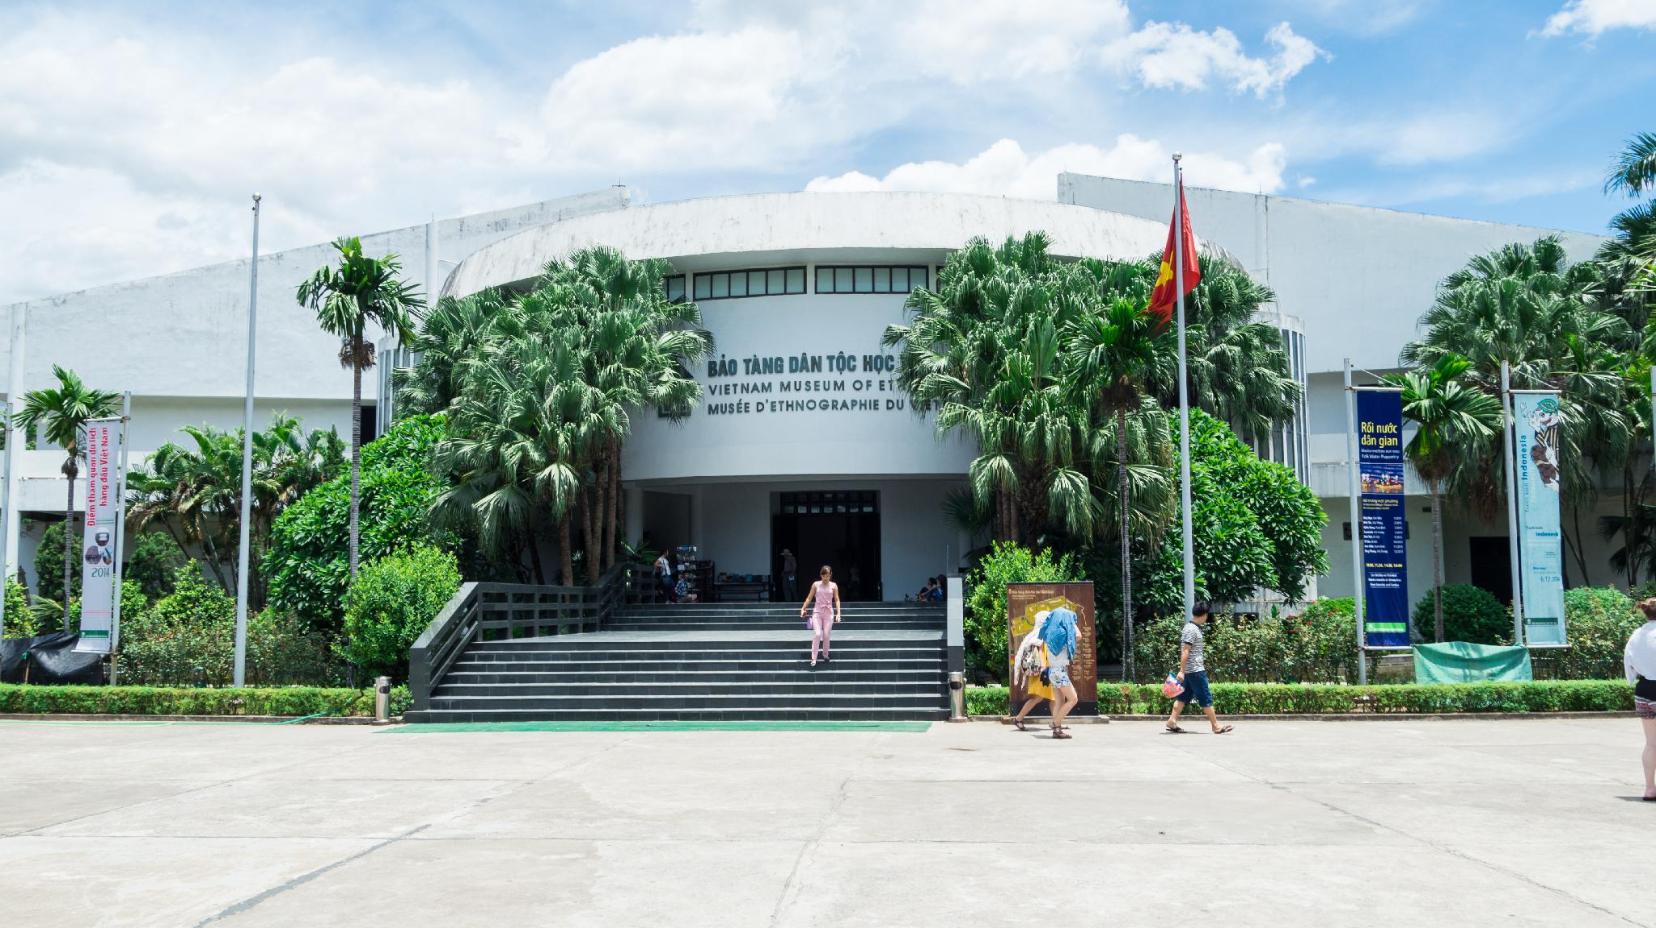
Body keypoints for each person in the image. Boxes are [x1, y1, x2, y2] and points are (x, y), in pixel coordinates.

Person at [1166, 602, 1233, 735]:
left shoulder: (1190, 627)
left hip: (1190, 671)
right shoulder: (1191, 629)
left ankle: (1172, 721)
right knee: (1205, 697)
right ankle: (1215, 726)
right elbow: (1186, 650)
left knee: (1182, 697)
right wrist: (1181, 671)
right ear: (1204, 615)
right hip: (1195, 671)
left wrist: (1184, 671)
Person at [1008, 611, 1062, 732]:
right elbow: (1041, 651)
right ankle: (1019, 718)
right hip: (1043, 671)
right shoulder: (1041, 634)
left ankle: (1056, 722)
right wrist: (1044, 668)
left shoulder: (1039, 633)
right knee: (1038, 697)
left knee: (1052, 697)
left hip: (1045, 670)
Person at [1625, 598, 1656, 801]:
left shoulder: (1636, 635)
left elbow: (1630, 665)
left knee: (1651, 743)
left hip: (1644, 689)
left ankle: (1649, 789)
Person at [1039, 606, 1080, 739]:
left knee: (1060, 701)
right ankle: (1055, 723)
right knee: (1073, 699)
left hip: (1054, 671)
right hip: (1059, 672)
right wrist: (1072, 623)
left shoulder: (1051, 633)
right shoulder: (1063, 633)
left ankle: (1057, 731)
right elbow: (1078, 636)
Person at [800, 565, 841, 667]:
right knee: (818, 634)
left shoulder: (834, 585)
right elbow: (809, 598)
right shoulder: (816, 585)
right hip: (817, 612)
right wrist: (803, 608)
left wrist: (838, 613)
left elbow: (836, 599)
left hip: (829, 612)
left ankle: (825, 654)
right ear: (821, 575)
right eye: (823, 575)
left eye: (827, 575)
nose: (825, 578)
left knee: (826, 635)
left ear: (830, 575)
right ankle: (814, 658)